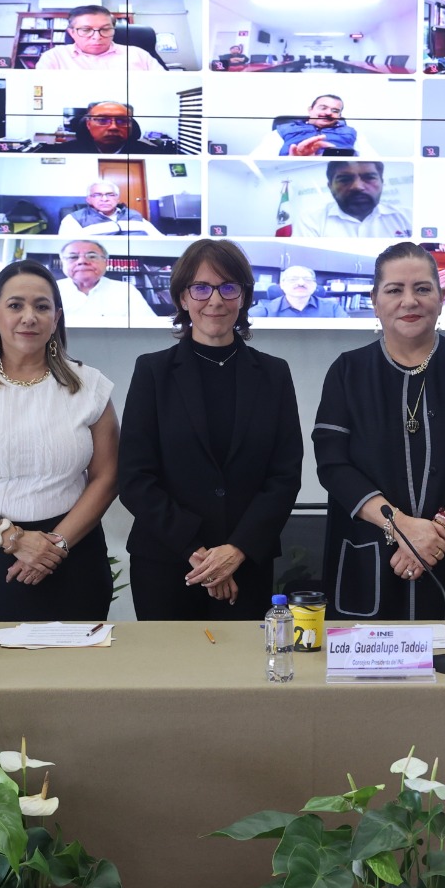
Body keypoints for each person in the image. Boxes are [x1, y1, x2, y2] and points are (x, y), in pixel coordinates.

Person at [313, 242, 445, 619]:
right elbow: (333, 465)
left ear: (441, 297)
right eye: (394, 290)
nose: (410, 301)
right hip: (371, 559)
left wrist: (439, 532)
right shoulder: (348, 372)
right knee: (368, 673)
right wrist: (402, 527)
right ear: (375, 300)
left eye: (423, 288)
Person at [0, 261, 119, 621]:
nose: (29, 316)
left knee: (74, 673)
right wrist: (11, 538)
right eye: (16, 306)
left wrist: (54, 546)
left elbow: (107, 477)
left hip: (71, 557)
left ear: (56, 318)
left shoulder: (90, 387)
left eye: (41, 306)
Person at [119, 240, 303, 620]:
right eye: (201, 288)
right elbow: (135, 478)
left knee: (243, 676)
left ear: (244, 297)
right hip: (168, 563)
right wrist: (201, 555)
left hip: (247, 562)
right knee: (169, 676)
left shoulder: (273, 374)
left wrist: (234, 551)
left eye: (228, 287)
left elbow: (284, 476)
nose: (215, 300)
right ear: (183, 299)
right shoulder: (152, 372)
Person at [294, 160, 412, 238]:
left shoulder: (408, 217)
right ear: (330, 186)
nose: (357, 187)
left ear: (382, 183)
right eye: (345, 179)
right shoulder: (311, 221)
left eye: (369, 177)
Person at [55, 239, 159, 323]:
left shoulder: (125, 290)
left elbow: (150, 326)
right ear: (62, 263)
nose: (82, 261)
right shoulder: (51, 289)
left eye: (92, 256)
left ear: (105, 262)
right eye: (73, 257)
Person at [35, 5, 165, 71]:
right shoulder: (53, 57)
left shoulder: (138, 54)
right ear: (72, 33)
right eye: (86, 30)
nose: (97, 37)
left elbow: (166, 87)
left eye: (105, 29)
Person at [45, 101, 174, 155]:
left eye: (122, 121)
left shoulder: (153, 153)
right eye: (102, 120)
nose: (113, 127)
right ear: (88, 124)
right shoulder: (60, 152)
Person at [58, 181, 165, 237]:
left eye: (110, 195)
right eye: (97, 195)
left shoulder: (134, 215)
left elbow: (159, 239)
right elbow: (64, 248)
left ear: (118, 199)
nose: (104, 199)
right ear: (89, 199)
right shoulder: (73, 218)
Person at [266, 94, 360, 156]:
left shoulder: (350, 132)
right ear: (310, 110)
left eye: (335, 111)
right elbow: (261, 159)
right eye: (323, 108)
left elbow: (368, 160)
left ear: (339, 116)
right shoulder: (284, 129)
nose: (328, 113)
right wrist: (292, 159)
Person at [250, 265, 350, 318]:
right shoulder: (265, 308)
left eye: (307, 279)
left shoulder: (333, 307)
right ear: (282, 285)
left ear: (315, 285)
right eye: (293, 279)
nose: (301, 283)